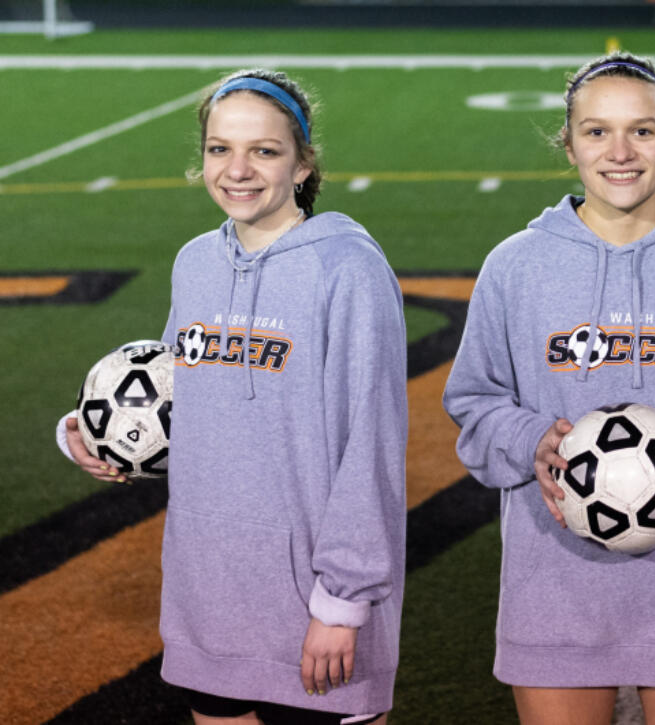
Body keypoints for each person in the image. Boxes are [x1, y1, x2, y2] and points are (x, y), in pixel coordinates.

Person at [442, 52, 655, 725]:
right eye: (597, 131)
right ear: (568, 143)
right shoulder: (515, 265)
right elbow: (474, 402)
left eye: (643, 130)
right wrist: (527, 439)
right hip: (554, 587)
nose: (621, 152)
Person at [56, 69, 408, 725]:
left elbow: (373, 443)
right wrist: (90, 431)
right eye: (220, 148)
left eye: (264, 151)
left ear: (303, 165)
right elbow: (167, 395)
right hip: (209, 604)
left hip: (317, 612)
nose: (237, 170)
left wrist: (342, 601)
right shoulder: (196, 262)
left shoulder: (347, 269)